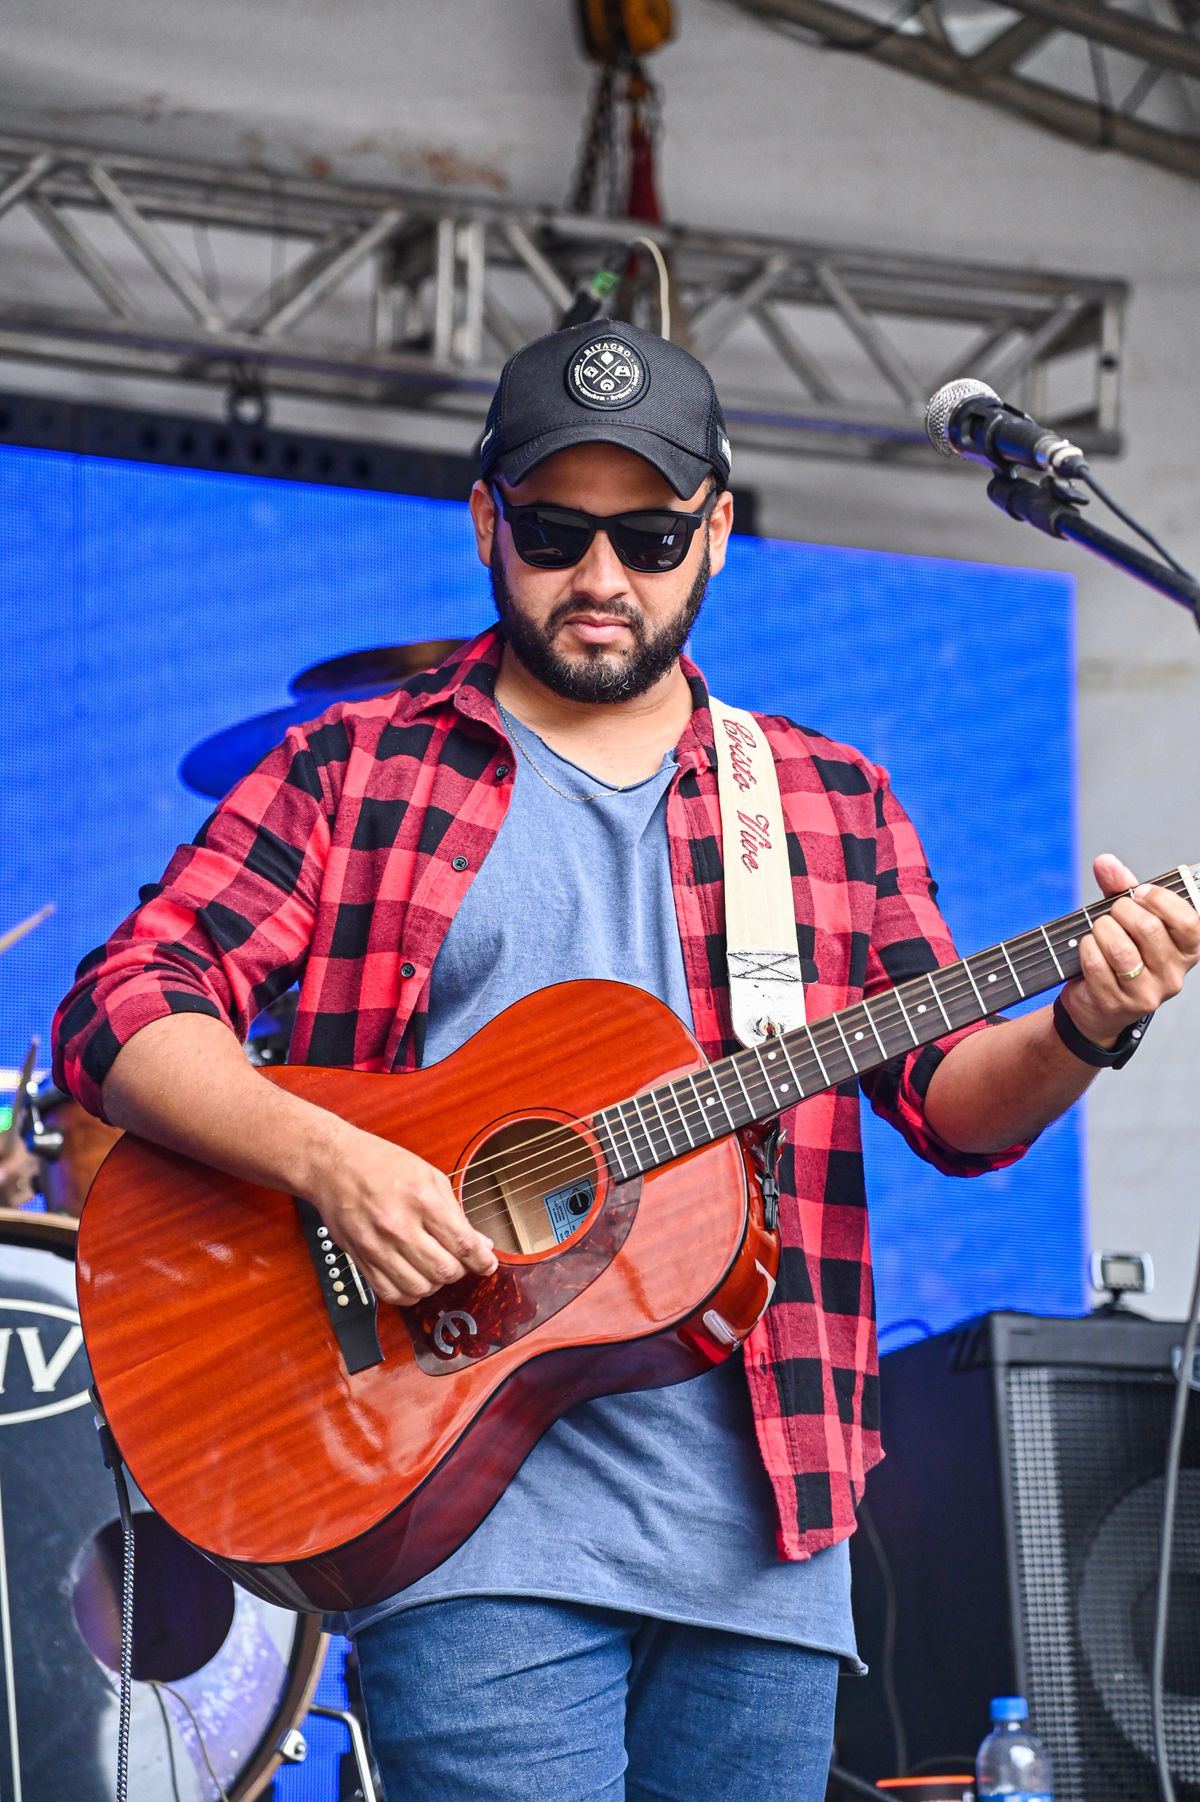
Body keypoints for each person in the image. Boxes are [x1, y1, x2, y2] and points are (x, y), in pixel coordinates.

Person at [52, 320, 1199, 1802]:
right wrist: (332, 1161)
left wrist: (1087, 1016)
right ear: (485, 522)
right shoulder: (355, 770)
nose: (604, 576)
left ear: (716, 534)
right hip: (459, 1511)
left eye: (652, 534)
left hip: (769, 1533)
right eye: (557, 529)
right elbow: (125, 998)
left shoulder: (827, 801)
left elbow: (955, 1106)